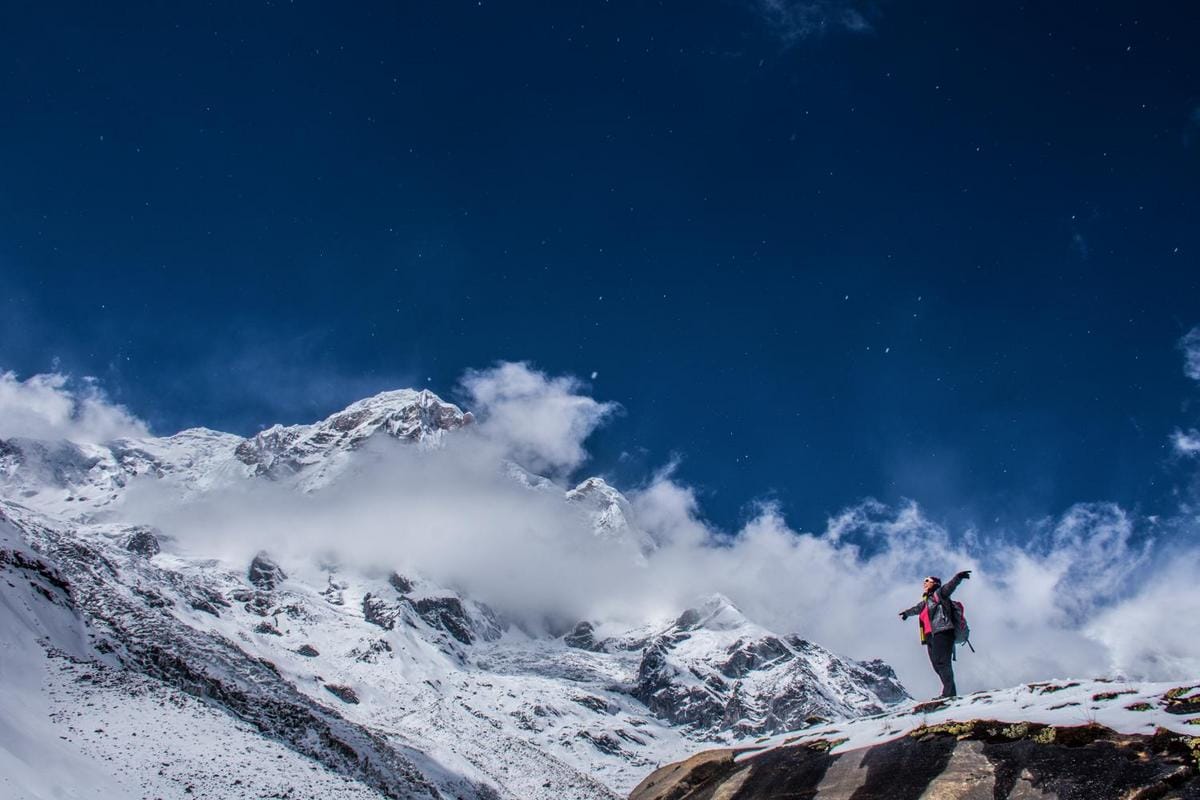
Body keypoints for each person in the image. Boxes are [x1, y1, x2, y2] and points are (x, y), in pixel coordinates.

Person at [899, 571, 971, 698]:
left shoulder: (939, 594)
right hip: (929, 636)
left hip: (942, 631)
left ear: (935, 583)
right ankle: (949, 692)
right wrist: (906, 613)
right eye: (924, 581)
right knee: (937, 665)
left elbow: (949, 587)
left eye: (927, 580)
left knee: (943, 663)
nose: (924, 583)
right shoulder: (926, 601)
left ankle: (949, 694)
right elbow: (916, 609)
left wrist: (958, 577)